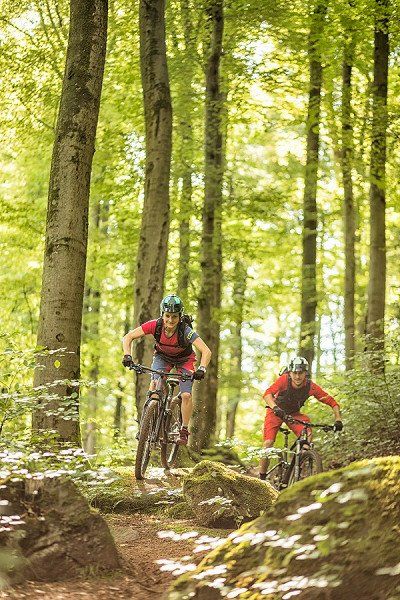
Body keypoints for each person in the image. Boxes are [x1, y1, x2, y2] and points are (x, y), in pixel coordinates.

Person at [122, 294, 212, 445]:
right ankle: (147, 424)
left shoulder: (186, 331)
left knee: (186, 395)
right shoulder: (155, 325)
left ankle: (183, 430)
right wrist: (127, 355)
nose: (170, 320)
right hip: (162, 358)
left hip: (185, 360)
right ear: (162, 314)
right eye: (167, 316)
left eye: (174, 317)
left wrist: (202, 368)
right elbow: (128, 337)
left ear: (180, 316)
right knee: (154, 388)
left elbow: (206, 351)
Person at [259, 356, 343, 480]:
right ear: (290, 372)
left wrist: (338, 420)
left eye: (301, 373)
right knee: (268, 442)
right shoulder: (284, 380)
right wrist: (275, 408)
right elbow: (267, 394)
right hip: (275, 411)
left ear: (305, 373)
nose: (297, 376)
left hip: (293, 413)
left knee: (307, 433)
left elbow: (332, 402)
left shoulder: (310, 386)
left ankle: (300, 463)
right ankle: (261, 478)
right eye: (295, 373)